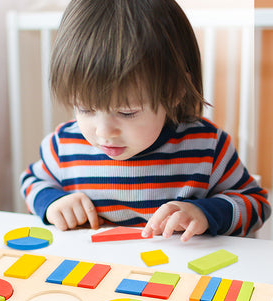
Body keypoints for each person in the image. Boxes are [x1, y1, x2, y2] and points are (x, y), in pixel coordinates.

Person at [20, 0, 271, 242]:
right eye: (85, 108)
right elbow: (31, 182)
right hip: (95, 276)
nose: (104, 132)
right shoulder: (65, 145)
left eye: (127, 112)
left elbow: (256, 205)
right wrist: (52, 203)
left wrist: (205, 214)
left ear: (173, 90)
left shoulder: (207, 147)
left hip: (176, 277)